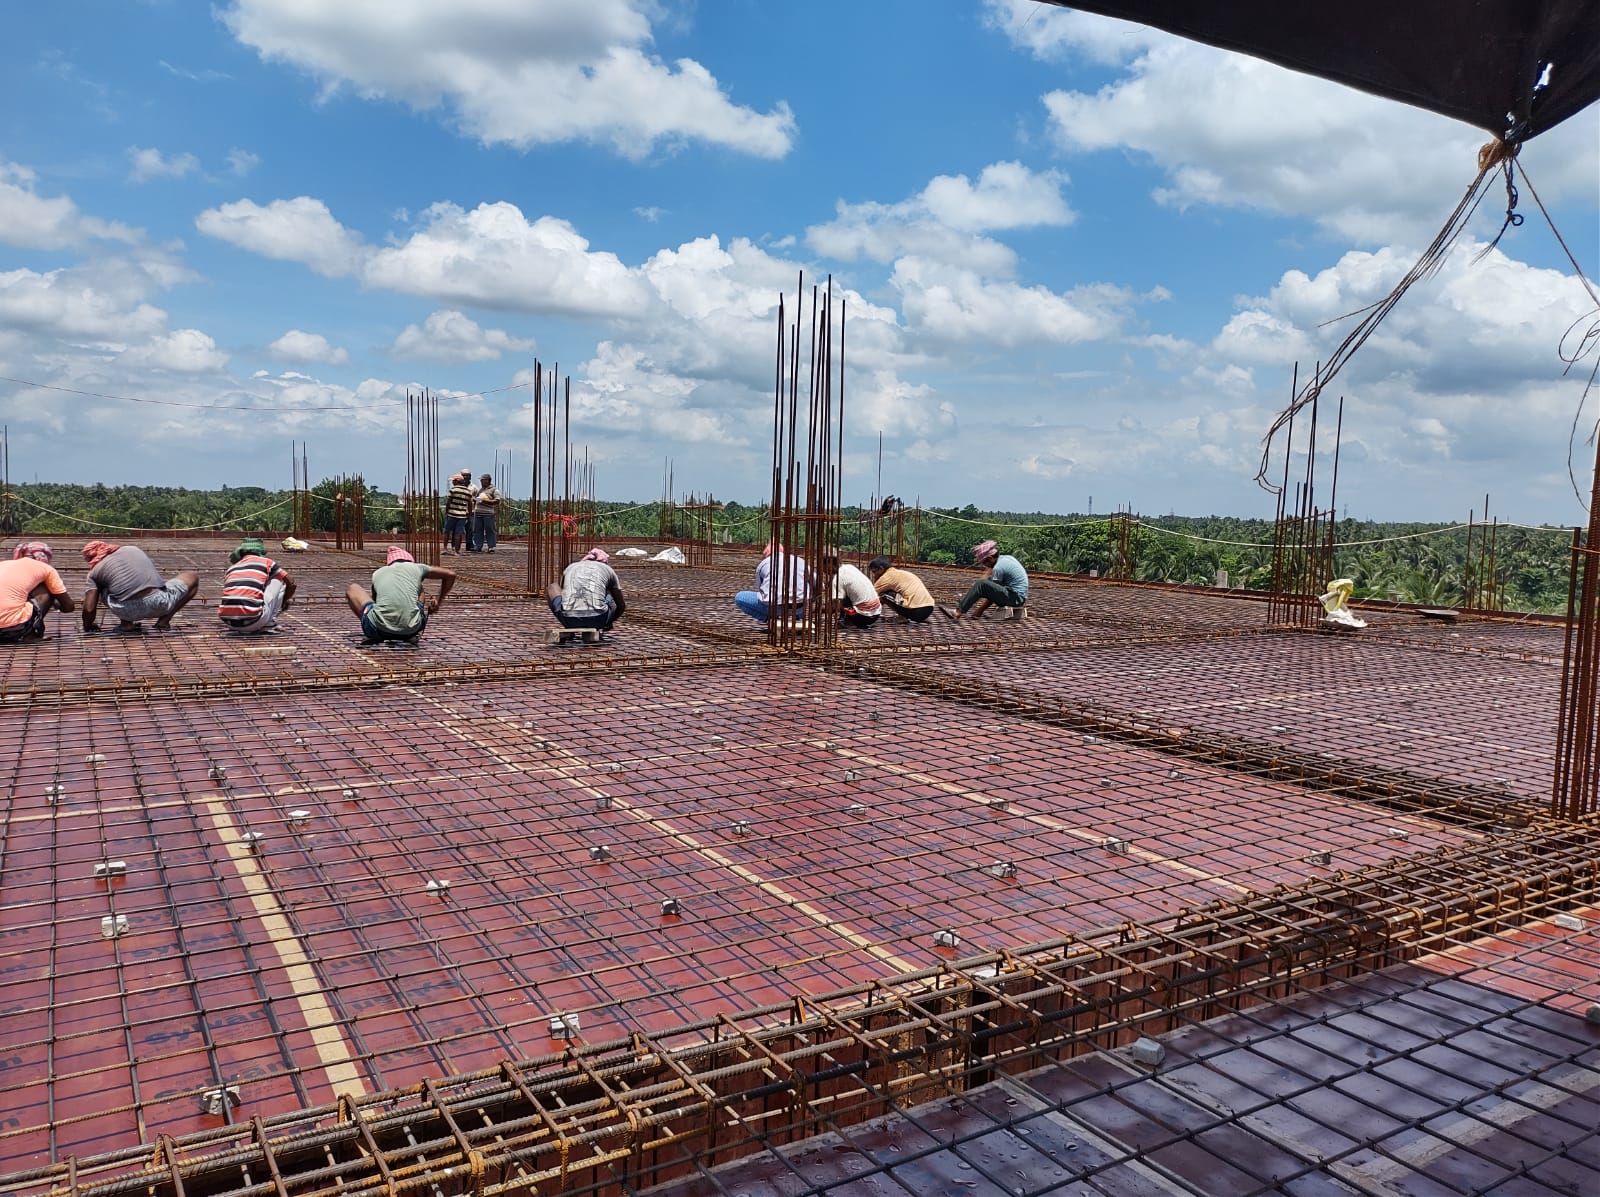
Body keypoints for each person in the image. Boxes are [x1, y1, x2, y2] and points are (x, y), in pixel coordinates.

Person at [81, 541, 199, 632]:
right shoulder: (132, 549)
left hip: (125, 610)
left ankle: (126, 624)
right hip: (160, 603)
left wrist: (88, 627)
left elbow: (89, 608)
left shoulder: (94, 572)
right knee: (192, 577)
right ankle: (164, 621)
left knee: (100, 587)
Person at [346, 545, 455, 643]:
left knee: (353, 588)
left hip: (377, 630)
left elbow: (375, 602)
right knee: (420, 590)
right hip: (411, 630)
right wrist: (438, 602)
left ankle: (377, 629)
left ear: (390, 563)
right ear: (410, 561)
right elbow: (450, 574)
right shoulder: (417, 567)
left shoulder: (378, 573)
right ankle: (407, 626)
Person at [217, 537, 296, 634]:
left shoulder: (232, 568)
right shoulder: (267, 562)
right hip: (255, 622)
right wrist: (285, 600)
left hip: (229, 623)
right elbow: (291, 582)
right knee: (279, 580)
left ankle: (246, 619)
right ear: (260, 552)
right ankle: (269, 623)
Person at [0, 542, 73, 642]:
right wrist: (56, 604)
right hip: (12, 629)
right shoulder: (46, 569)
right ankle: (29, 635)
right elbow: (69, 607)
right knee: (47, 588)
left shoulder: (3, 564)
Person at [941, 540, 1028, 621]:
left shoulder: (998, 568)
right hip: (1018, 597)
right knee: (984, 583)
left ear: (990, 558)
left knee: (981, 584)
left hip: (1014, 598)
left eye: (984, 563)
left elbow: (992, 594)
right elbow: (989, 579)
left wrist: (980, 610)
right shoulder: (1006, 558)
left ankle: (958, 612)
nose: (984, 566)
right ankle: (963, 605)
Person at [548, 547, 626, 630]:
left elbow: (564, 594)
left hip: (568, 618)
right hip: (598, 619)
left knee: (553, 586)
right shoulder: (608, 569)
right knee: (610, 588)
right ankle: (601, 620)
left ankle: (568, 625)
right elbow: (621, 605)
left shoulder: (570, 567)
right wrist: (609, 621)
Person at [735, 543, 809, 623]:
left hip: (774, 608)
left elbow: (761, 589)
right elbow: (816, 584)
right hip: (799, 608)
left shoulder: (764, 563)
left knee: (739, 597)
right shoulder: (800, 561)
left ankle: (769, 618)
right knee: (802, 593)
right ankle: (800, 618)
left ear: (767, 552)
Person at [867, 555, 936, 623]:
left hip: (916, 611)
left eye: (874, 572)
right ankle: (909, 615)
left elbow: (872, 594)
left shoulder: (886, 577)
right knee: (888, 594)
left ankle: (902, 617)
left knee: (883, 594)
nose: (874, 575)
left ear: (881, 569)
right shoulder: (900, 573)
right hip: (929, 609)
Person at [831, 556, 882, 629]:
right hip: (877, 613)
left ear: (829, 564)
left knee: (840, 598)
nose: (823, 570)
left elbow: (837, 606)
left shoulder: (838, 578)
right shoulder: (850, 567)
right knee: (846, 592)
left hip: (862, 617)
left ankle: (845, 621)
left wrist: (825, 610)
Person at [443, 469, 473, 554]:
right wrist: (469, 515)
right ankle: (457, 551)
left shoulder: (453, 490)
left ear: (456, 481)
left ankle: (445, 548)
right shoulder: (468, 491)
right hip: (462, 515)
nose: (452, 482)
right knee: (458, 533)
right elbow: (470, 504)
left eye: (453, 481)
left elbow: (449, 502)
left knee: (447, 531)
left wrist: (447, 511)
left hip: (452, 514)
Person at [469, 473, 500, 553]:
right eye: (481, 480)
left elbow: (497, 501)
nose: (481, 482)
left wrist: (484, 501)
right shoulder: (480, 490)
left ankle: (491, 546)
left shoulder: (494, 490)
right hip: (478, 513)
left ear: (487, 480)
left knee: (490, 530)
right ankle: (477, 546)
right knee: (477, 530)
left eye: (483, 480)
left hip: (488, 513)